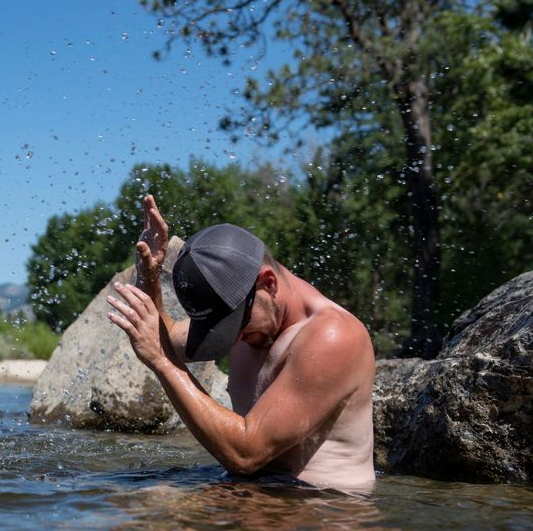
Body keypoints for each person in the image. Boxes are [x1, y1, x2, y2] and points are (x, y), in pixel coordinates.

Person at [106, 195, 375, 491]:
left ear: (268, 284)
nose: (233, 340)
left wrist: (163, 364)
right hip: (257, 494)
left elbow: (247, 453)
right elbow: (165, 338)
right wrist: (150, 273)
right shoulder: (249, 310)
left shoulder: (331, 336)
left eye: (236, 326)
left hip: (319, 509)